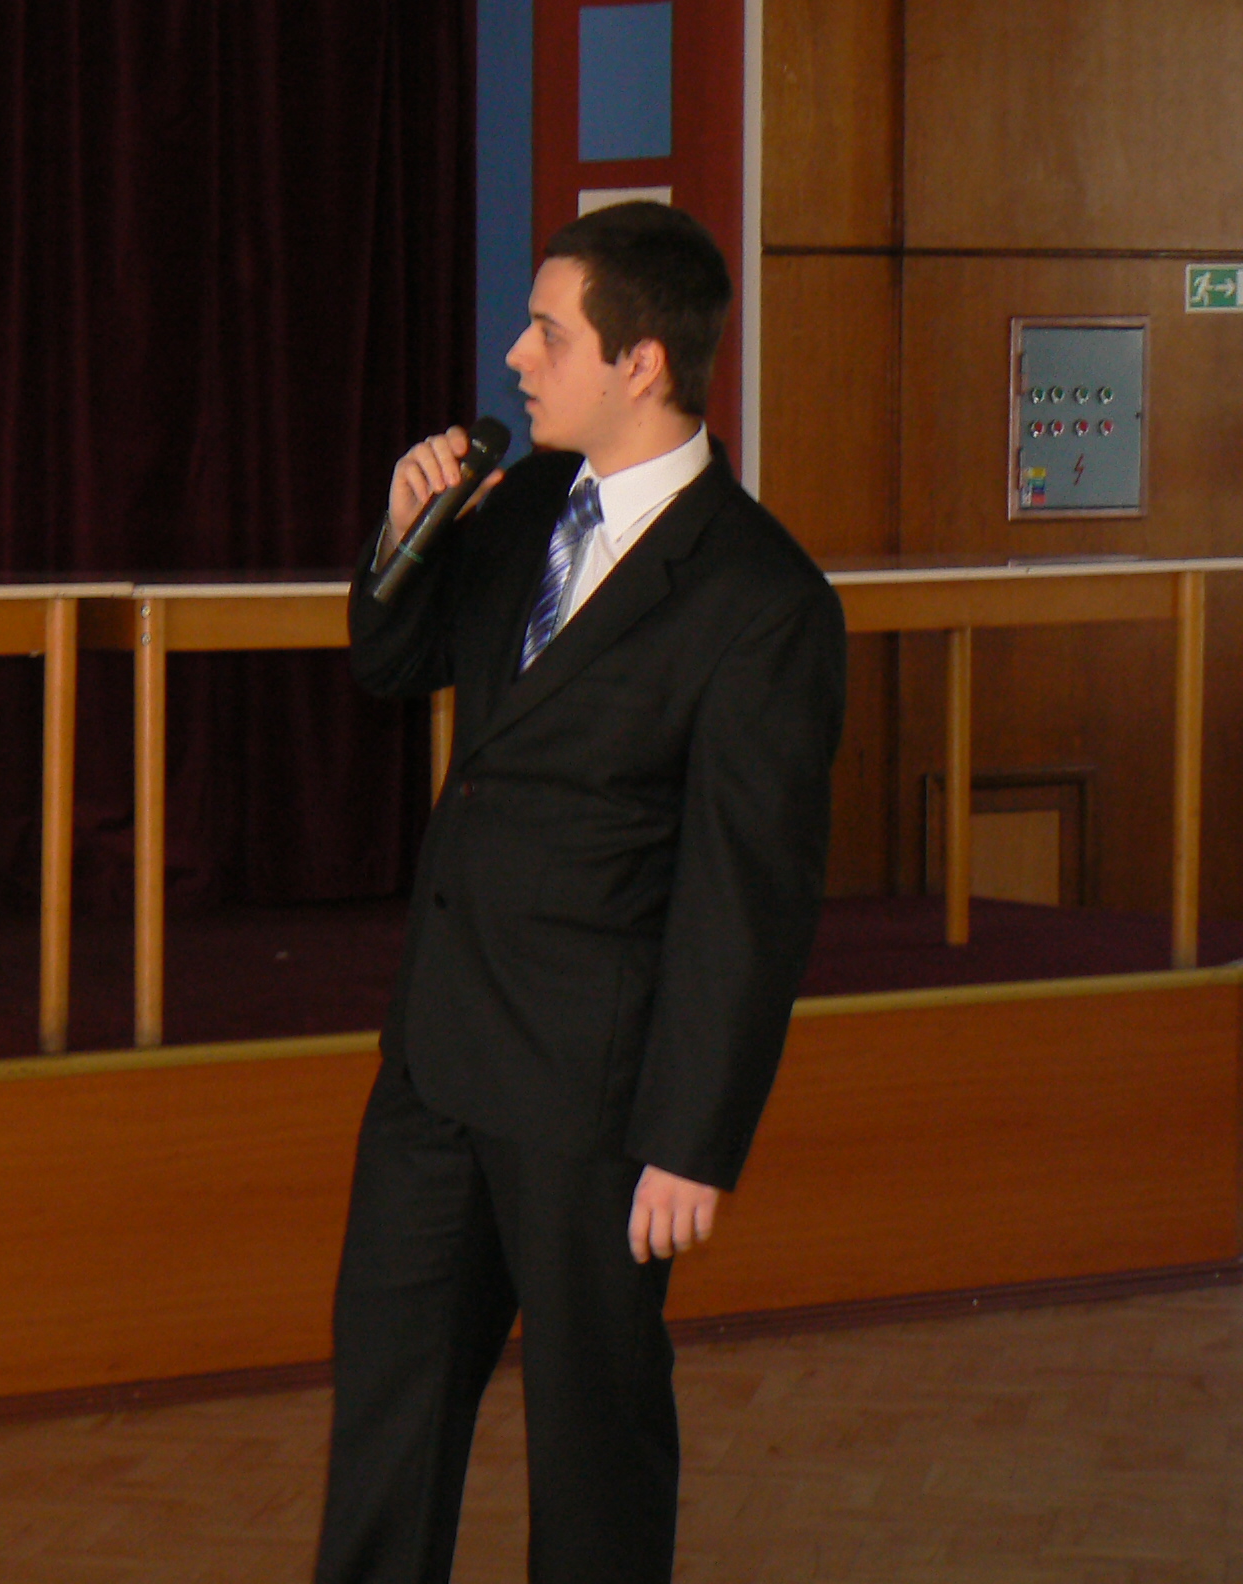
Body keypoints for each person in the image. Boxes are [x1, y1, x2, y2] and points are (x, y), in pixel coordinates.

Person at [318, 201, 846, 1582]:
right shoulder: (518, 512)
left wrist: (693, 1138)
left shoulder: (764, 599)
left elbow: (750, 899)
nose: (516, 356)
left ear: (642, 363)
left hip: (593, 1099)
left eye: (548, 332)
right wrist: (405, 532)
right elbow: (391, 662)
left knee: (593, 1441)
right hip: (437, 1063)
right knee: (386, 1418)